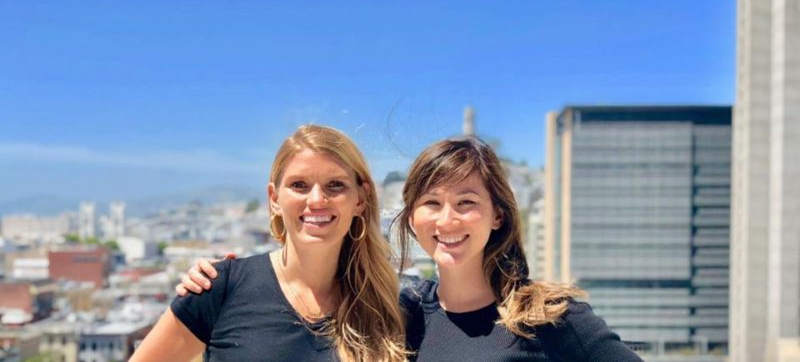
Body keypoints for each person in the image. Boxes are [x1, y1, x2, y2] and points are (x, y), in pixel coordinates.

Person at [179, 136, 643, 361]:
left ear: (498, 214)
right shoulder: (400, 313)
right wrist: (219, 284)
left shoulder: (548, 316)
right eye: (432, 204)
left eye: (467, 203)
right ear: (412, 217)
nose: (448, 220)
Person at [131, 125, 407, 362]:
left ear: (360, 199)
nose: (316, 200)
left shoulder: (385, 306)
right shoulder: (220, 288)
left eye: (335, 185)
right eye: (299, 185)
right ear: (274, 199)